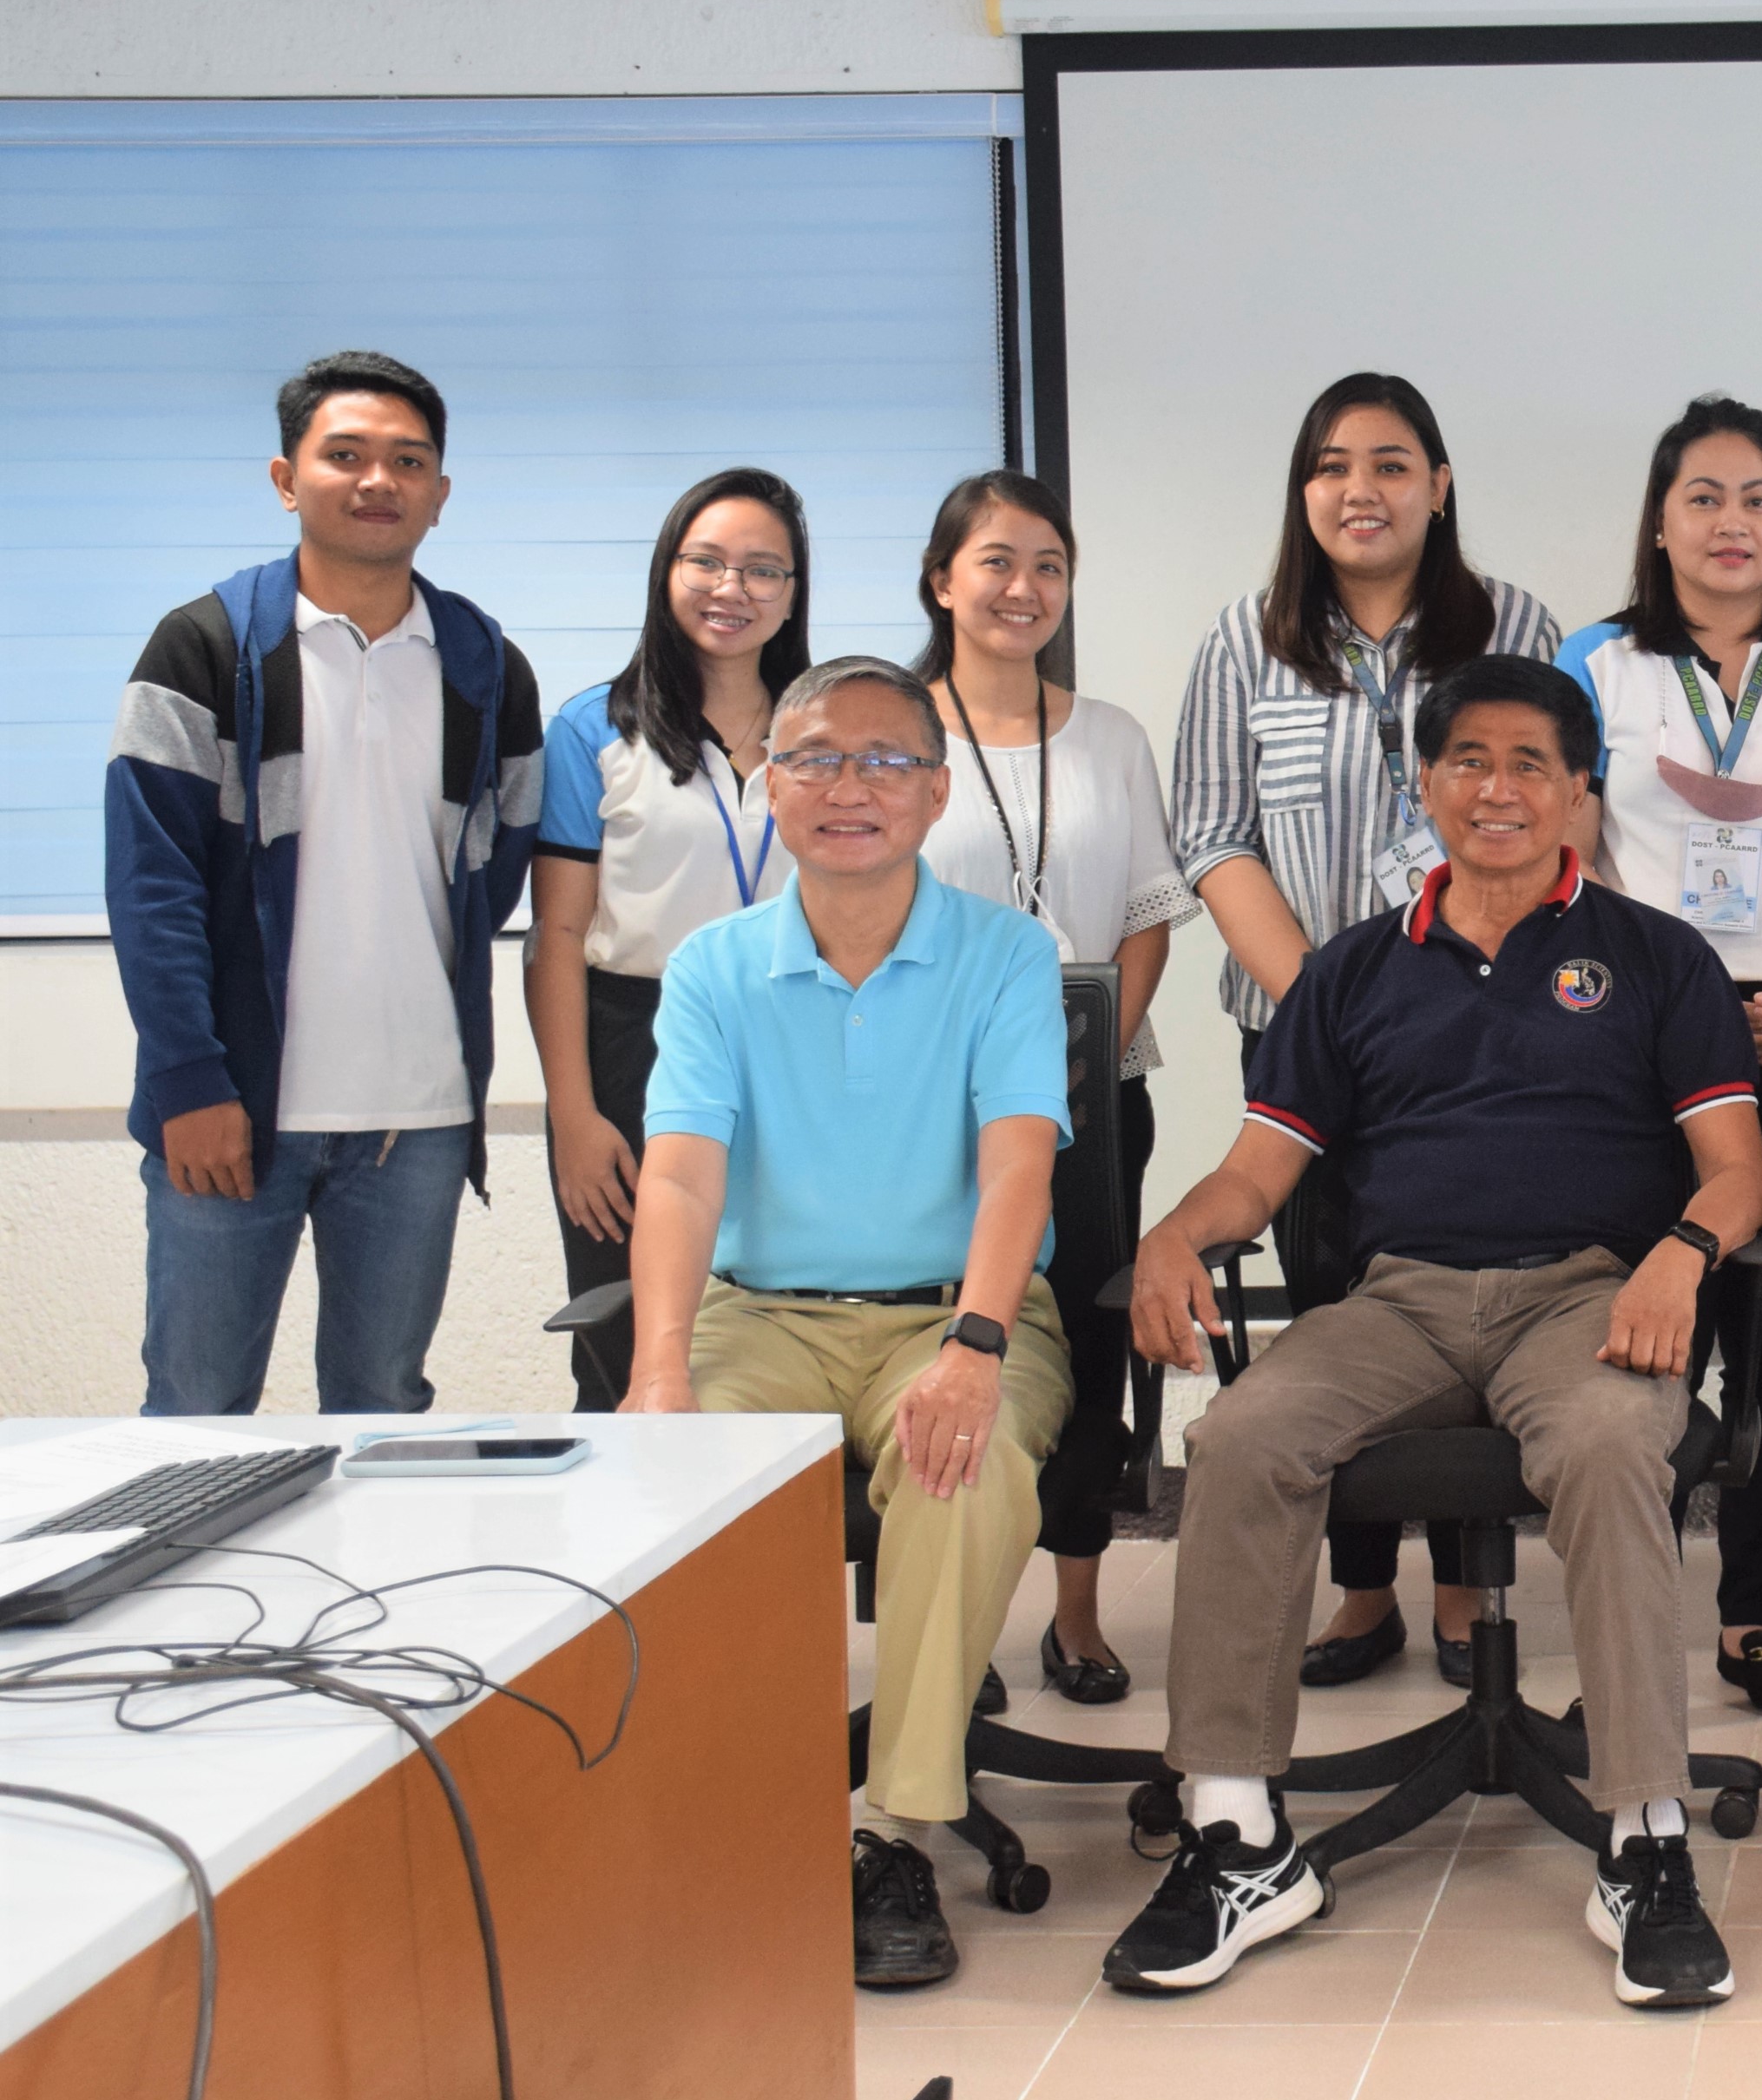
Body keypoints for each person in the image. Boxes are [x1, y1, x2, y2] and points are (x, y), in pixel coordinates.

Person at [1104, 655, 1762, 2011]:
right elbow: (1257, 1173)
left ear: (1581, 790)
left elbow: (1739, 1167)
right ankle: (1235, 1833)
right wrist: (1177, 1229)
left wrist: (1679, 1259)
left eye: (1533, 761)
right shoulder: (1352, 969)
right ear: (1425, 782)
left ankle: (1642, 1841)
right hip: (1398, 1297)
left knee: (1603, 1441)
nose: (1500, 787)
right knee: (1240, 1433)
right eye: (1468, 758)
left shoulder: (1654, 955)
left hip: (1589, 1292)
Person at [623, 653, 1075, 1990]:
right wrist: (657, 1369)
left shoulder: (1003, 952)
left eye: (886, 760)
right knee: (664, 1469)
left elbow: (1016, 1162)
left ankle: (895, 1831)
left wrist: (976, 1347)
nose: (849, 786)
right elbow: (682, 1169)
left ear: (937, 794)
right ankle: (716, 1810)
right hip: (762, 1316)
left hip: (960, 1309)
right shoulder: (713, 965)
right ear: (771, 779)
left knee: (962, 1459)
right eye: (816, 756)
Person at [1168, 371, 1562, 1691]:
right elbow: (1212, 830)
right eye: (1332, 465)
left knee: (1464, 1281)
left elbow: (1558, 807)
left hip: (1477, 1026)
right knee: (1335, 1298)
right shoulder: (1244, 637)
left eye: (1392, 463)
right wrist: (1322, 997)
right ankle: (1358, 1586)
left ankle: (1463, 1584)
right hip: (1300, 1021)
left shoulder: (1512, 623)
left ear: (1438, 484)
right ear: (1303, 490)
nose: (1361, 489)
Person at [108, 351, 542, 1415]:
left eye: (407, 460)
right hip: (235, 1111)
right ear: (285, 476)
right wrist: (190, 1084)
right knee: (197, 1414)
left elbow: (497, 870)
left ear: (441, 494)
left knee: (384, 1408)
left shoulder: (486, 666)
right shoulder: (201, 647)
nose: (376, 480)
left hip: (417, 1123)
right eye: (344, 455)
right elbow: (149, 888)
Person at [1557, 395, 1762, 1719]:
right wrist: (1654, 1005)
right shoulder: (1596, 661)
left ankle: (1750, 1614)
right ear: (1657, 517)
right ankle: (1626, 1628)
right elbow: (1571, 857)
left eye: (1757, 497)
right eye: (1702, 495)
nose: (1730, 521)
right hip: (1642, 1032)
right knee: (1640, 1326)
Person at [911, 469, 1195, 1707]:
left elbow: (1145, 922)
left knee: (1080, 1344)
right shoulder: (894, 730)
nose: (1022, 587)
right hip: (922, 1112)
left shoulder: (1112, 736)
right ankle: (948, 1630)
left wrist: (1079, 1069)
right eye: (995, 561)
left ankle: (1075, 1614)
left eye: (1047, 566)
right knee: (936, 1342)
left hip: (1090, 1109)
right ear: (942, 580)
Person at [529, 469, 808, 1410]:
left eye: (764, 570)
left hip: (797, 1029)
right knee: (630, 1338)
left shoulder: (822, 728)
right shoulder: (592, 730)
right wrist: (573, 1114)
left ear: (793, 593)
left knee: (782, 1317)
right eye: (708, 562)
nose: (734, 589)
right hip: (632, 1045)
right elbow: (558, 935)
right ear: (666, 570)